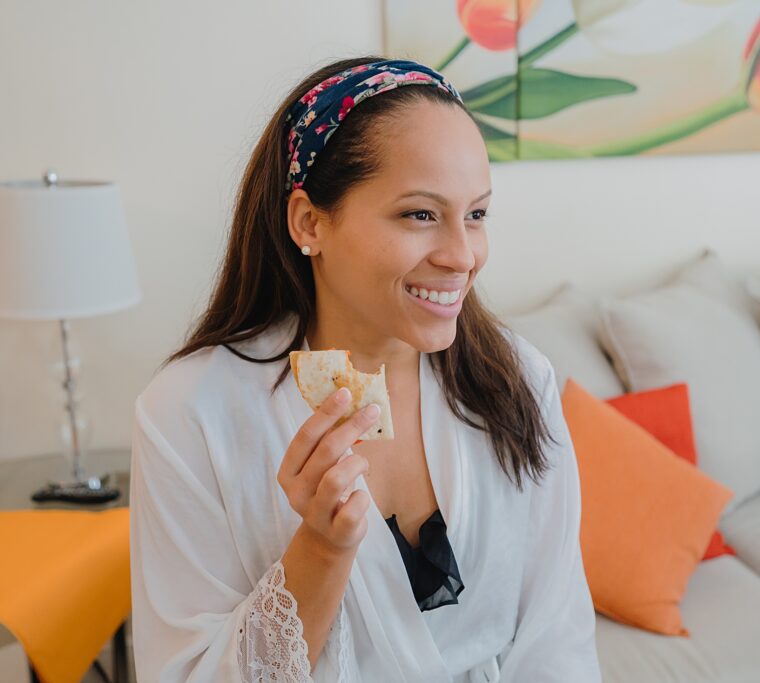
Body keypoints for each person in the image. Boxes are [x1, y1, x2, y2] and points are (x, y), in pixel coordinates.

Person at [129, 55, 602, 682]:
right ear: (310, 222)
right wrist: (321, 549)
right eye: (420, 214)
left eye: (478, 214)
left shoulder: (519, 379)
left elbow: (557, 637)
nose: (464, 254)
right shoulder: (190, 413)